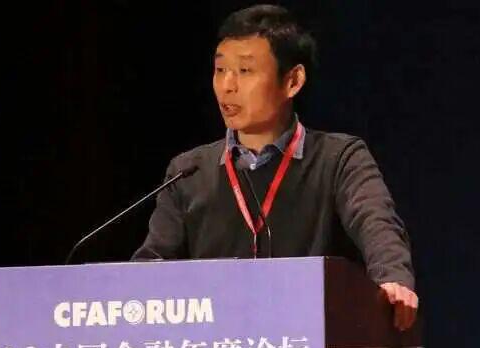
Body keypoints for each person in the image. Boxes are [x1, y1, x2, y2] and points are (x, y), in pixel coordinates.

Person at [132, 4, 418, 331]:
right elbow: (150, 267)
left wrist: (393, 279)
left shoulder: (339, 159)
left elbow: (376, 223)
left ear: (293, 81)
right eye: (220, 69)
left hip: (306, 342)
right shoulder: (189, 172)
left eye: (244, 71)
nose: (227, 86)